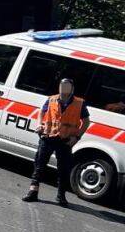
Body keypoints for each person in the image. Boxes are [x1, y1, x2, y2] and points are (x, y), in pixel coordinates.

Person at [22, 78, 90, 206]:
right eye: (61, 86)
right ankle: (33, 192)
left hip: (65, 140)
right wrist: (40, 125)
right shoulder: (52, 99)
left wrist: (77, 138)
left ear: (72, 89)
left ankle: (61, 196)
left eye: (66, 86)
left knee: (63, 169)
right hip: (48, 136)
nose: (63, 88)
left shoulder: (79, 103)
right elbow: (41, 112)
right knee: (39, 165)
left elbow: (86, 122)